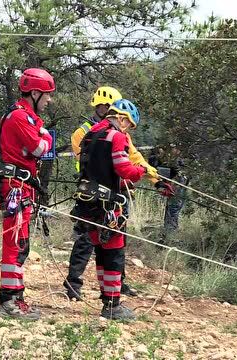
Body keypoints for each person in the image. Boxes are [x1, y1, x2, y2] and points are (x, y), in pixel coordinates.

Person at [64, 87, 175, 301]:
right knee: (92, 242)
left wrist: (156, 180)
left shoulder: (108, 133)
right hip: (98, 193)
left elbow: (135, 157)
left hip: (109, 193)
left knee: (113, 243)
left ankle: (114, 287)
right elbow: (118, 165)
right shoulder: (89, 132)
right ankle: (77, 284)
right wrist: (139, 173)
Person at [72, 99, 148, 320]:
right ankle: (112, 304)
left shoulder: (90, 134)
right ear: (122, 118)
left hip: (87, 202)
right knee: (113, 252)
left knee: (100, 251)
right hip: (108, 205)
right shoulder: (116, 136)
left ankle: (108, 299)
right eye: (129, 125)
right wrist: (140, 171)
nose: (128, 130)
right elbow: (123, 168)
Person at [0, 68, 55, 320]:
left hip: (23, 185)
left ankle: (16, 297)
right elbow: (40, 148)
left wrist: (42, 133)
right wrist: (45, 136)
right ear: (35, 92)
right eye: (47, 95)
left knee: (21, 244)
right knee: (14, 242)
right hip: (15, 186)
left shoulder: (28, 117)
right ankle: (8, 302)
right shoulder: (19, 117)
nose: (49, 100)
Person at [148, 145, 189, 234]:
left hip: (178, 177)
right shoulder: (159, 156)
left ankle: (170, 230)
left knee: (174, 205)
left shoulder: (176, 157)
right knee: (173, 206)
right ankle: (170, 231)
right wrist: (161, 184)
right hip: (174, 176)